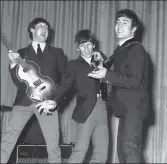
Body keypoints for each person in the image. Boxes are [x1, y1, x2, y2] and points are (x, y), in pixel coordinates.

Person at [1, 17, 67, 163]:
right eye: (41, 26)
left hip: (47, 102)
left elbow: (66, 79)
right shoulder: (20, 53)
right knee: (7, 140)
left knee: (53, 144)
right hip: (23, 101)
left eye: (47, 29)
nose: (44, 30)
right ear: (32, 29)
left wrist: (55, 100)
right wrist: (13, 64)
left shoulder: (57, 53)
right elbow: (18, 81)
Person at [37, 29, 109, 163]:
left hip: (103, 109)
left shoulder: (103, 61)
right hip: (86, 111)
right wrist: (53, 100)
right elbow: (65, 85)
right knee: (80, 151)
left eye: (88, 44)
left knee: (101, 155)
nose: (86, 49)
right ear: (78, 48)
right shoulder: (74, 65)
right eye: (82, 46)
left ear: (93, 44)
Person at [88, 9, 149, 163]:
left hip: (133, 108)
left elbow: (134, 81)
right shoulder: (121, 50)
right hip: (126, 109)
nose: (119, 26)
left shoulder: (136, 48)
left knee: (129, 150)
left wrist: (106, 74)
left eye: (125, 23)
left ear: (134, 28)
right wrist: (103, 66)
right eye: (118, 22)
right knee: (123, 153)